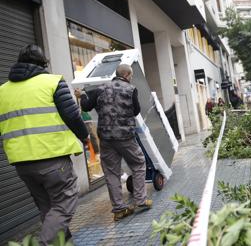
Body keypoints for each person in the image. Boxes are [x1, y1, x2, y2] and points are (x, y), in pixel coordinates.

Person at [0, 44, 89, 245]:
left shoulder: (3, 91)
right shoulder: (52, 82)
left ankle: (62, 241)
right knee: (64, 202)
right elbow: (72, 115)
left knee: (47, 207)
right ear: (42, 63)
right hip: (52, 158)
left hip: (22, 164)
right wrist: (84, 135)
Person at [76, 64, 152, 221]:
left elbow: (85, 106)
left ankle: (119, 209)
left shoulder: (100, 88)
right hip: (125, 137)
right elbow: (136, 111)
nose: (131, 78)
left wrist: (82, 95)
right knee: (138, 164)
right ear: (127, 74)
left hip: (106, 138)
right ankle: (141, 200)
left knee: (111, 172)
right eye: (130, 75)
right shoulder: (131, 89)